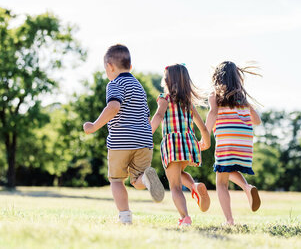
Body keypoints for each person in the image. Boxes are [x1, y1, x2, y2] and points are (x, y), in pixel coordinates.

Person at [83, 44, 164, 225]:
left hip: (121, 141)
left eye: (105, 69)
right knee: (137, 180)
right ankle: (147, 179)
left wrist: (94, 126)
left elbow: (114, 107)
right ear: (130, 67)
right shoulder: (139, 86)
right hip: (144, 141)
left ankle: (125, 217)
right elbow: (146, 115)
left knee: (116, 180)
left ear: (110, 66)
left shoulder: (114, 84)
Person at [151, 64, 211, 226]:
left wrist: (147, 133)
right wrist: (206, 141)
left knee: (175, 186)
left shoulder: (164, 99)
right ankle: (194, 186)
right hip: (188, 143)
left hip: (172, 143)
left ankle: (185, 217)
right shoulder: (188, 103)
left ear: (167, 81)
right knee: (179, 172)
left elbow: (158, 115)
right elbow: (203, 127)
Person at [205, 61, 262, 225]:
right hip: (244, 142)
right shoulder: (243, 101)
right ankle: (247, 188)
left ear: (218, 78)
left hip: (226, 140)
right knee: (228, 169)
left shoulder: (215, 96)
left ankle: (229, 220)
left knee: (221, 183)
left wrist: (205, 134)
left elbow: (212, 113)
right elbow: (257, 120)